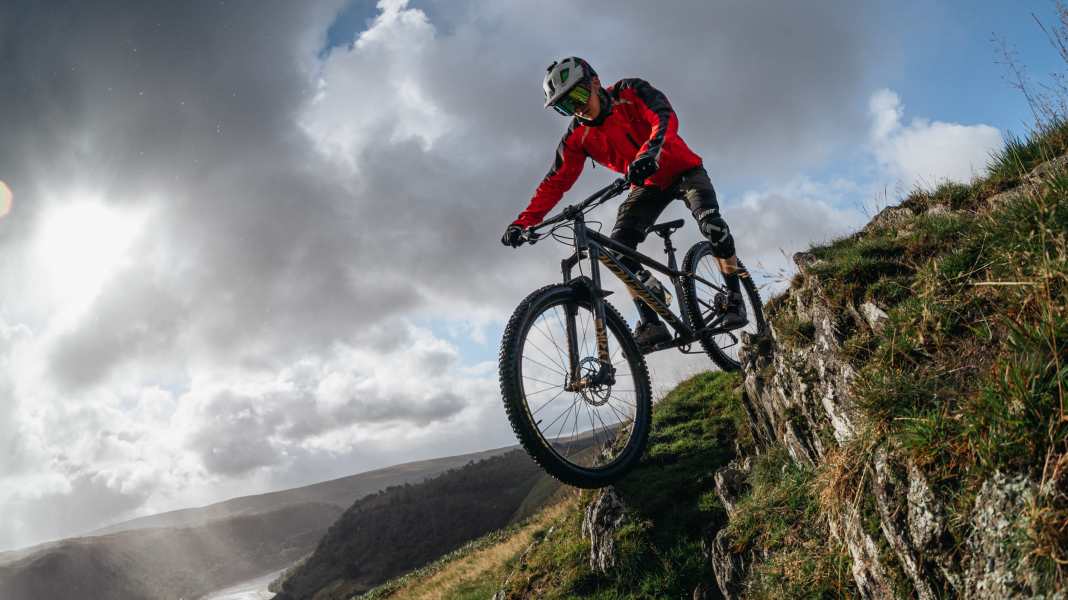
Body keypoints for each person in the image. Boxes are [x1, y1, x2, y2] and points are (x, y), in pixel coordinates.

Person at [501, 56, 747, 351]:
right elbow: (555, 182)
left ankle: (734, 296)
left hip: (682, 170)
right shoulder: (577, 137)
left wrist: (649, 152)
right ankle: (652, 322)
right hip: (645, 185)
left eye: (578, 96)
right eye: (565, 106)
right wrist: (523, 222)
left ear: (594, 82)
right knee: (617, 251)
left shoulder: (630, 92)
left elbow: (664, 117)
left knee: (712, 225)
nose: (577, 108)